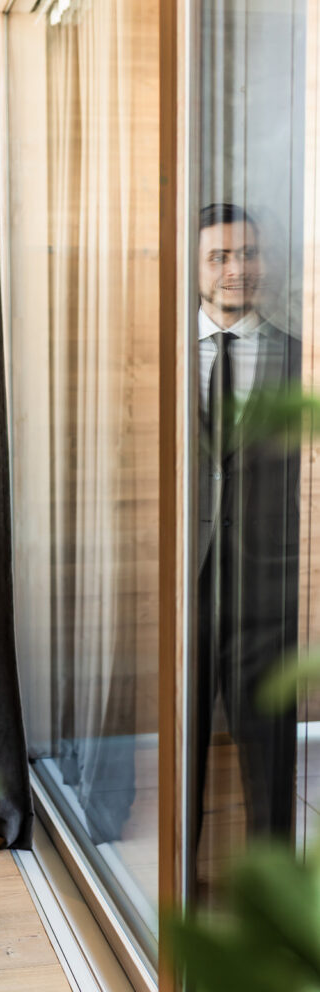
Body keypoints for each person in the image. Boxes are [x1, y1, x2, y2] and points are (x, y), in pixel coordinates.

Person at [195, 202, 299, 855]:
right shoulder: (164, 356)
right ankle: (177, 875)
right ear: (194, 267)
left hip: (267, 587)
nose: (236, 268)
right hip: (185, 580)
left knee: (269, 746)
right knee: (181, 743)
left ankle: (272, 883)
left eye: (248, 254)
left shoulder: (299, 357)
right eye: (220, 256)